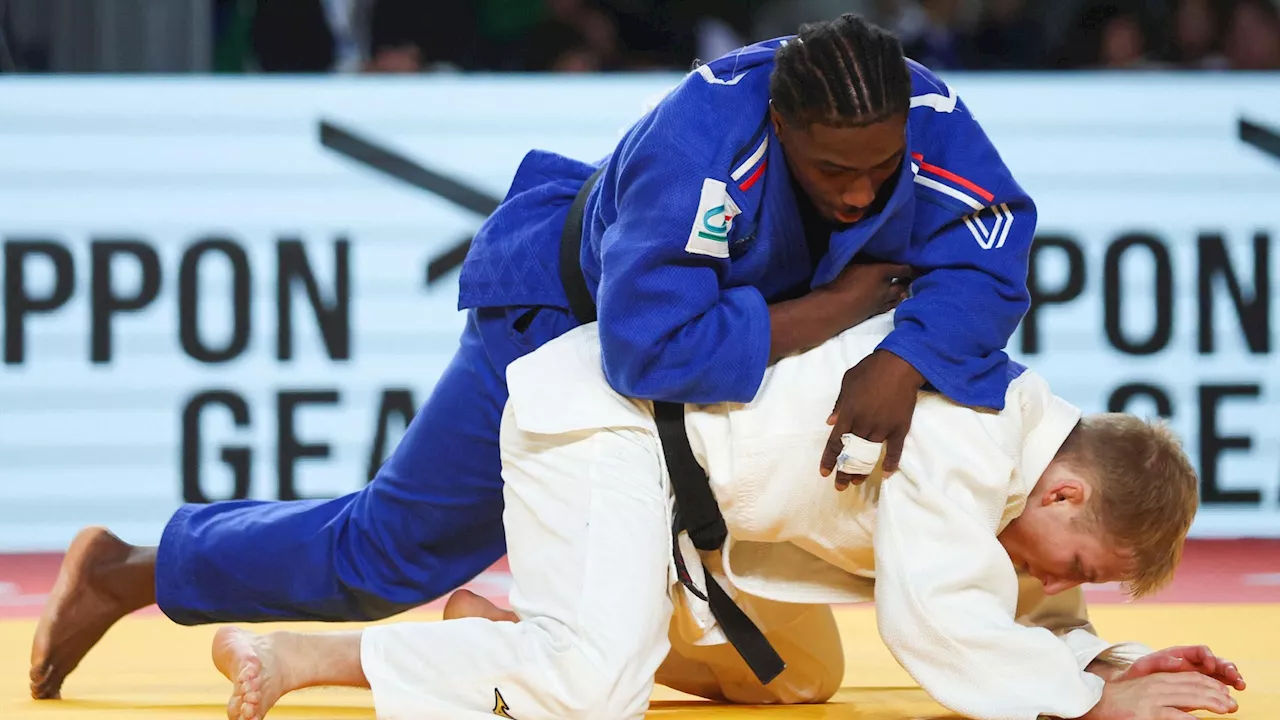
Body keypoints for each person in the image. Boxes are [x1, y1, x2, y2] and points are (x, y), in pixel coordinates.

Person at [31, 14, 1040, 699]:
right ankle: (129, 570)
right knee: (386, 557)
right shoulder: (698, 150)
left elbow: (990, 248)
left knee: (792, 672)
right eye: (833, 173)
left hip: (722, 386)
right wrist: (837, 309)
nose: (863, 195)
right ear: (779, 127)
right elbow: (652, 350)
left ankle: (515, 617)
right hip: (562, 326)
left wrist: (904, 358)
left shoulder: (924, 124)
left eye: (879, 170)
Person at [206, 313, 1246, 720]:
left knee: (800, 680)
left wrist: (1119, 664)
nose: (1065, 584)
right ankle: (300, 655)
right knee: (590, 693)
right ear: (1064, 493)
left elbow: (1022, 615)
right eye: (1084, 564)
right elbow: (936, 618)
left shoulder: (1025, 486)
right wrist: (1084, 708)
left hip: (709, 514)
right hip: (612, 431)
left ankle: (514, 634)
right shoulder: (968, 431)